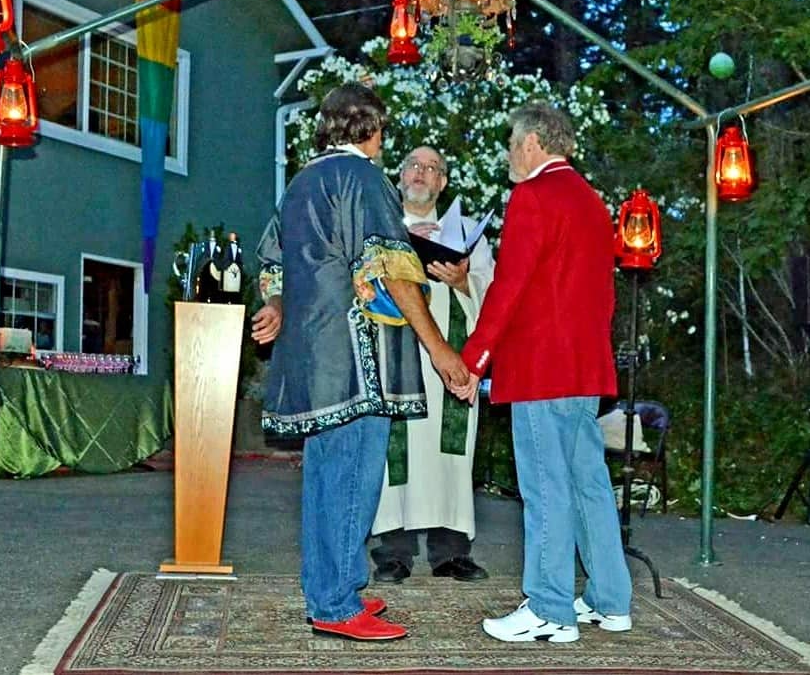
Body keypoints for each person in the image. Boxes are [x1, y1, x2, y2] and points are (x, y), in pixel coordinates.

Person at [251, 83, 470, 643]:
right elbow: (392, 270)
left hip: (314, 356)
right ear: (372, 130)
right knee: (351, 478)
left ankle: (334, 584)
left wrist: (275, 306)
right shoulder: (364, 179)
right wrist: (439, 348)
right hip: (355, 358)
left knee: (326, 478)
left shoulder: (300, 183)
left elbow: (272, 264)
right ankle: (335, 604)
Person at [459, 102, 632, 644]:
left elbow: (508, 288)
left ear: (532, 143)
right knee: (589, 485)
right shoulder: (591, 201)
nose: (510, 155)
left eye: (513, 144)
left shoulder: (533, 196)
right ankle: (610, 600)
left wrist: (474, 358)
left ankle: (550, 608)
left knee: (546, 488)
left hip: (541, 369)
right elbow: (602, 296)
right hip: (584, 368)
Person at [371, 146, 494, 583]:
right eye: (413, 166)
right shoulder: (381, 228)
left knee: (450, 455)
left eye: (432, 168)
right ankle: (393, 552)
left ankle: (452, 552)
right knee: (396, 456)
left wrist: (462, 281)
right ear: (400, 176)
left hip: (451, 364)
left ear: (442, 182)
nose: (421, 173)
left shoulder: (467, 233)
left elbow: (493, 293)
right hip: (397, 359)